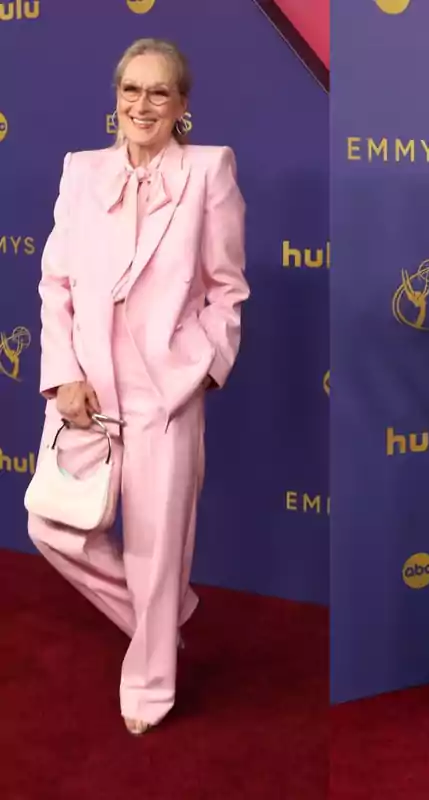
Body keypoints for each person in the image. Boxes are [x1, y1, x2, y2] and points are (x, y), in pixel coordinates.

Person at [28, 38, 249, 736]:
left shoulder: (209, 171)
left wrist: (201, 367)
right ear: (115, 99)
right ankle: (160, 621)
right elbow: (56, 283)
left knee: (158, 551)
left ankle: (151, 687)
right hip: (85, 394)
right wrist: (62, 373)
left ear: (182, 105)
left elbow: (226, 287)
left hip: (165, 394)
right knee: (52, 527)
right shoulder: (80, 171)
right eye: (132, 90)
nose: (143, 105)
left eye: (159, 92)